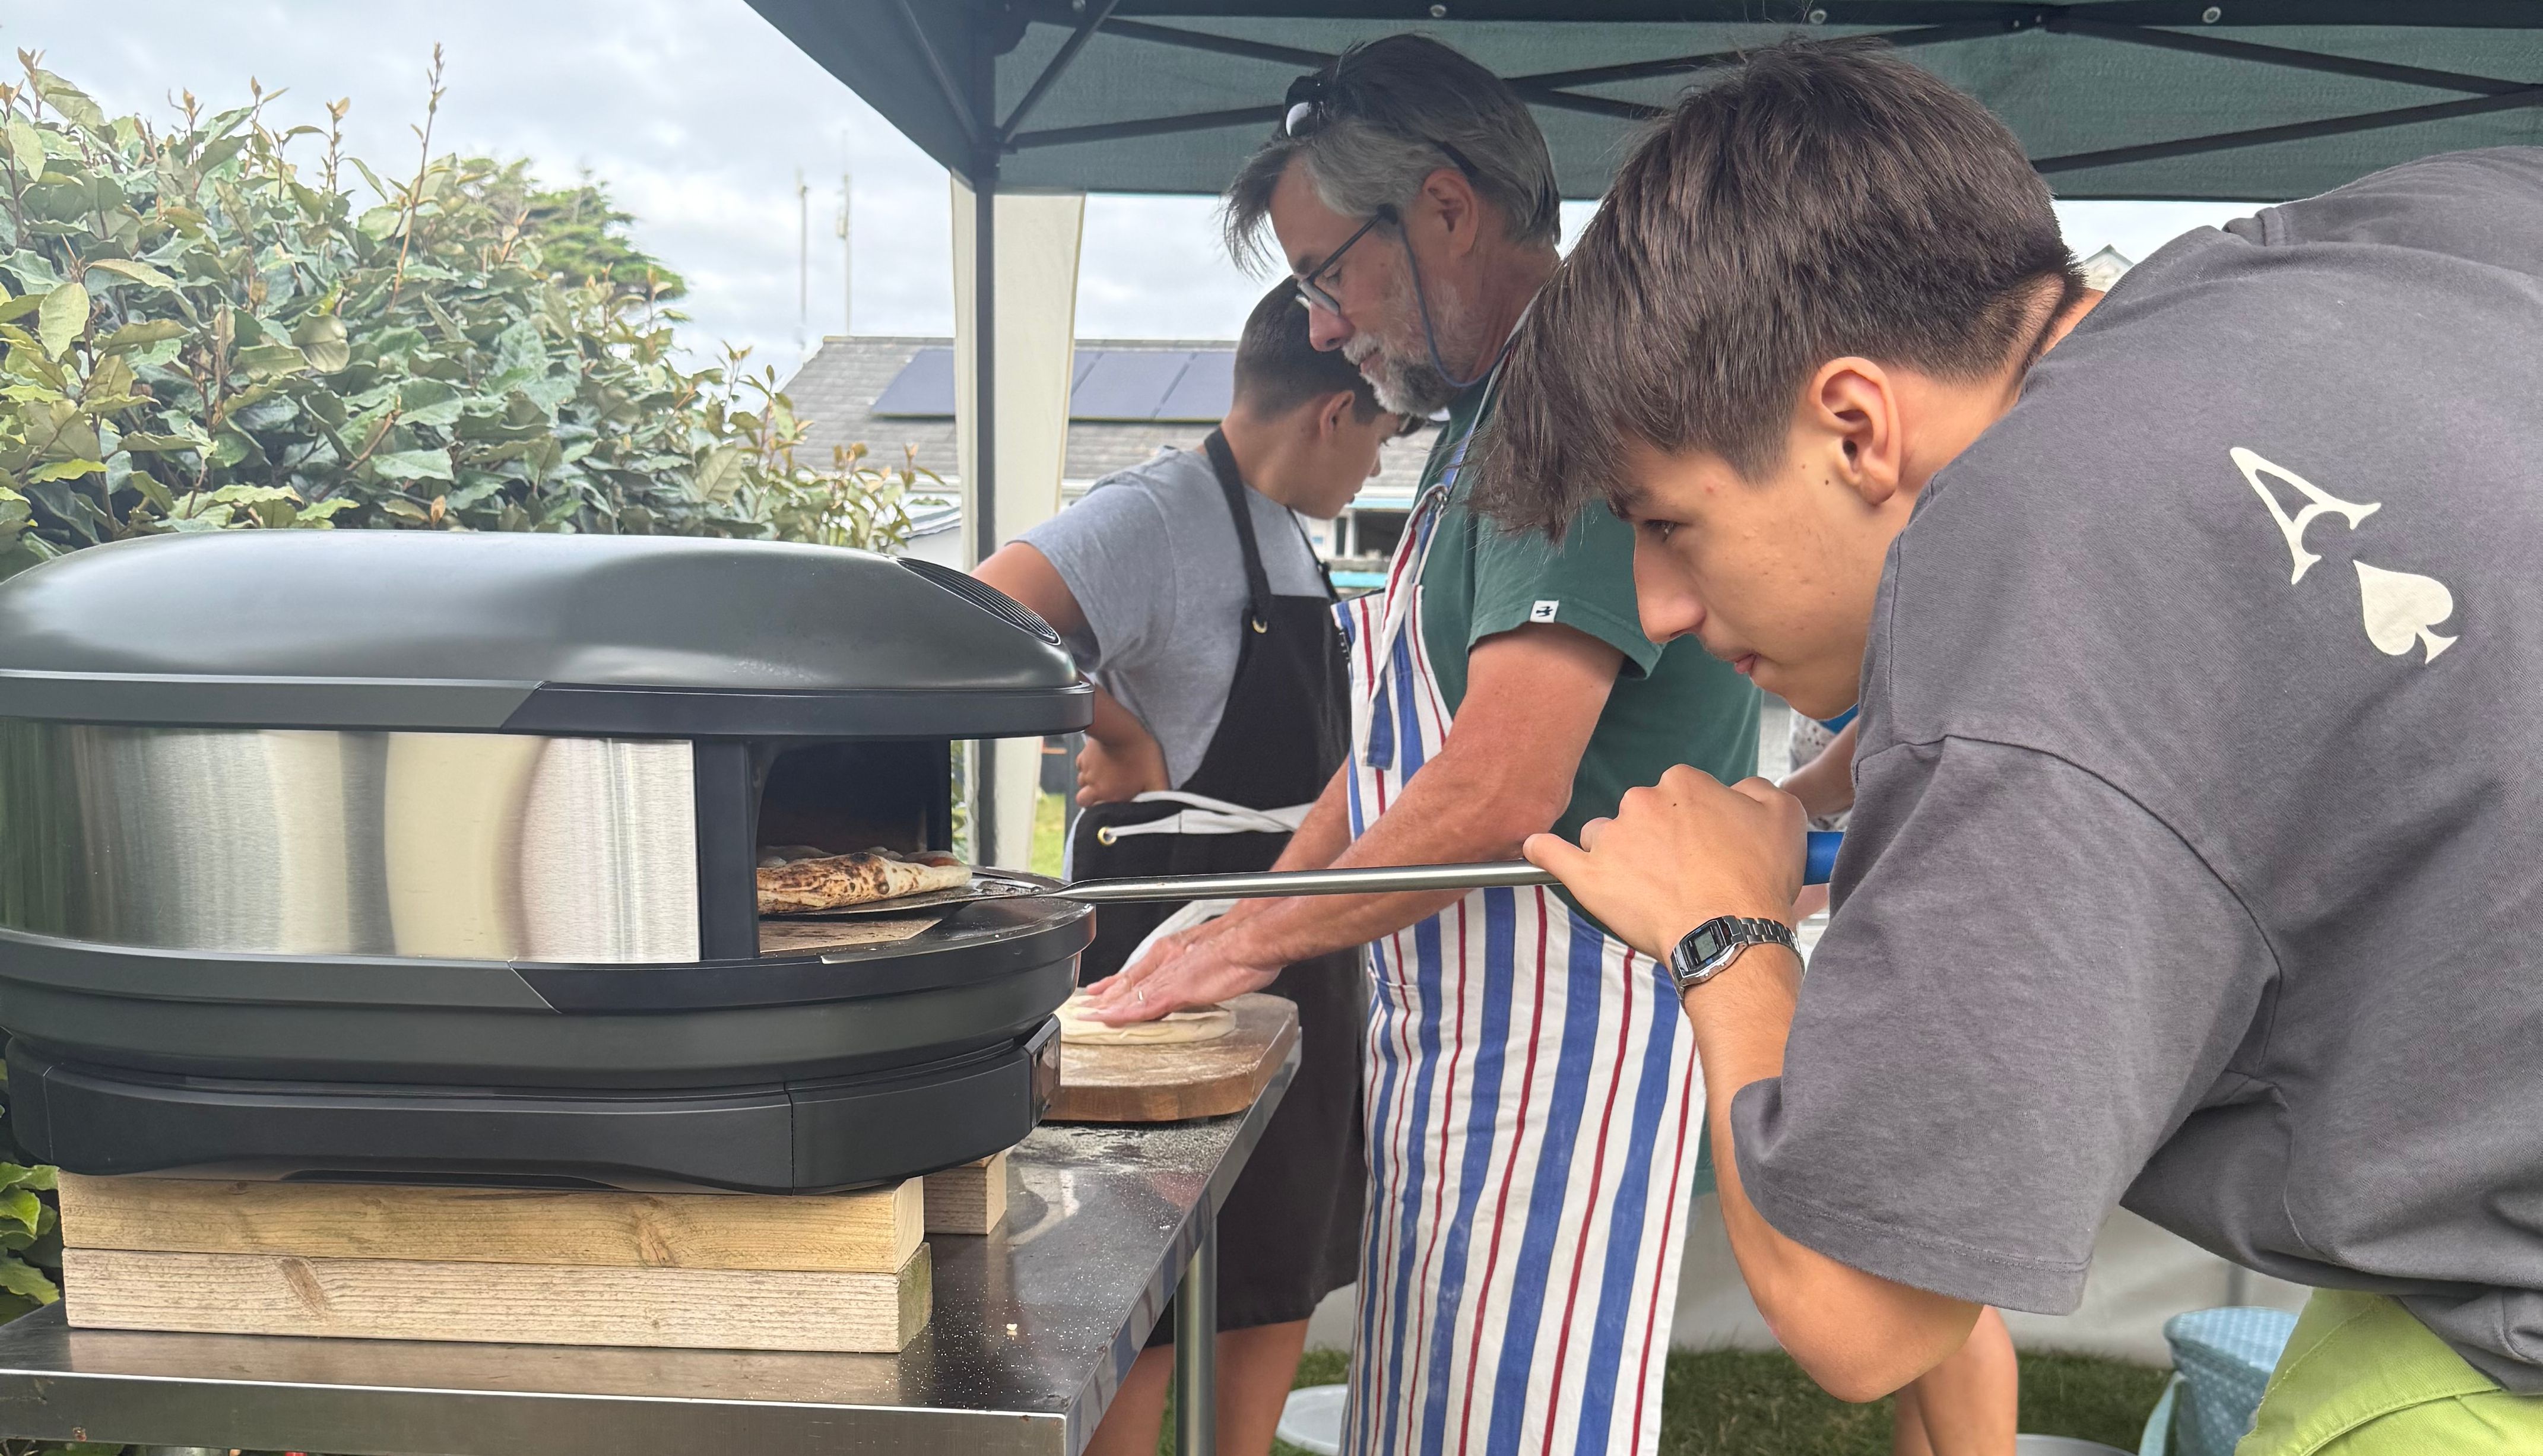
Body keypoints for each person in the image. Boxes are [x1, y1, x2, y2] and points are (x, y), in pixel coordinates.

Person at [1480, 40, 2543, 1456]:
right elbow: (2230, 647)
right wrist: (1858, 776)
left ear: (1854, 426)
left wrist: (1724, 935)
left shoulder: (2030, 552)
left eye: (1665, 522)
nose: (1663, 611)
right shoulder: (2401, 237)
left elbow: (1868, 1314)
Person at [1085, 35, 1763, 1455]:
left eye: (1332, 274)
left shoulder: (1580, 399)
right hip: (1454, 1040)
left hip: (1557, 1044)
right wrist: (1238, 905)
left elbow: (1505, 783)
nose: (1323, 325)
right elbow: (1397, 755)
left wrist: (1259, 944)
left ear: (1447, 211)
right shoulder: (1480, 424)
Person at [974, 282, 1403, 1456]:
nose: (1379, 463)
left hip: (1293, 949)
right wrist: (1112, 733)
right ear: (1334, 410)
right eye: (1382, 434)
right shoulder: (1158, 513)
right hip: (1165, 947)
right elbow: (982, 615)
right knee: (1136, 1290)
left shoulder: (1288, 531)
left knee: (1276, 1276)